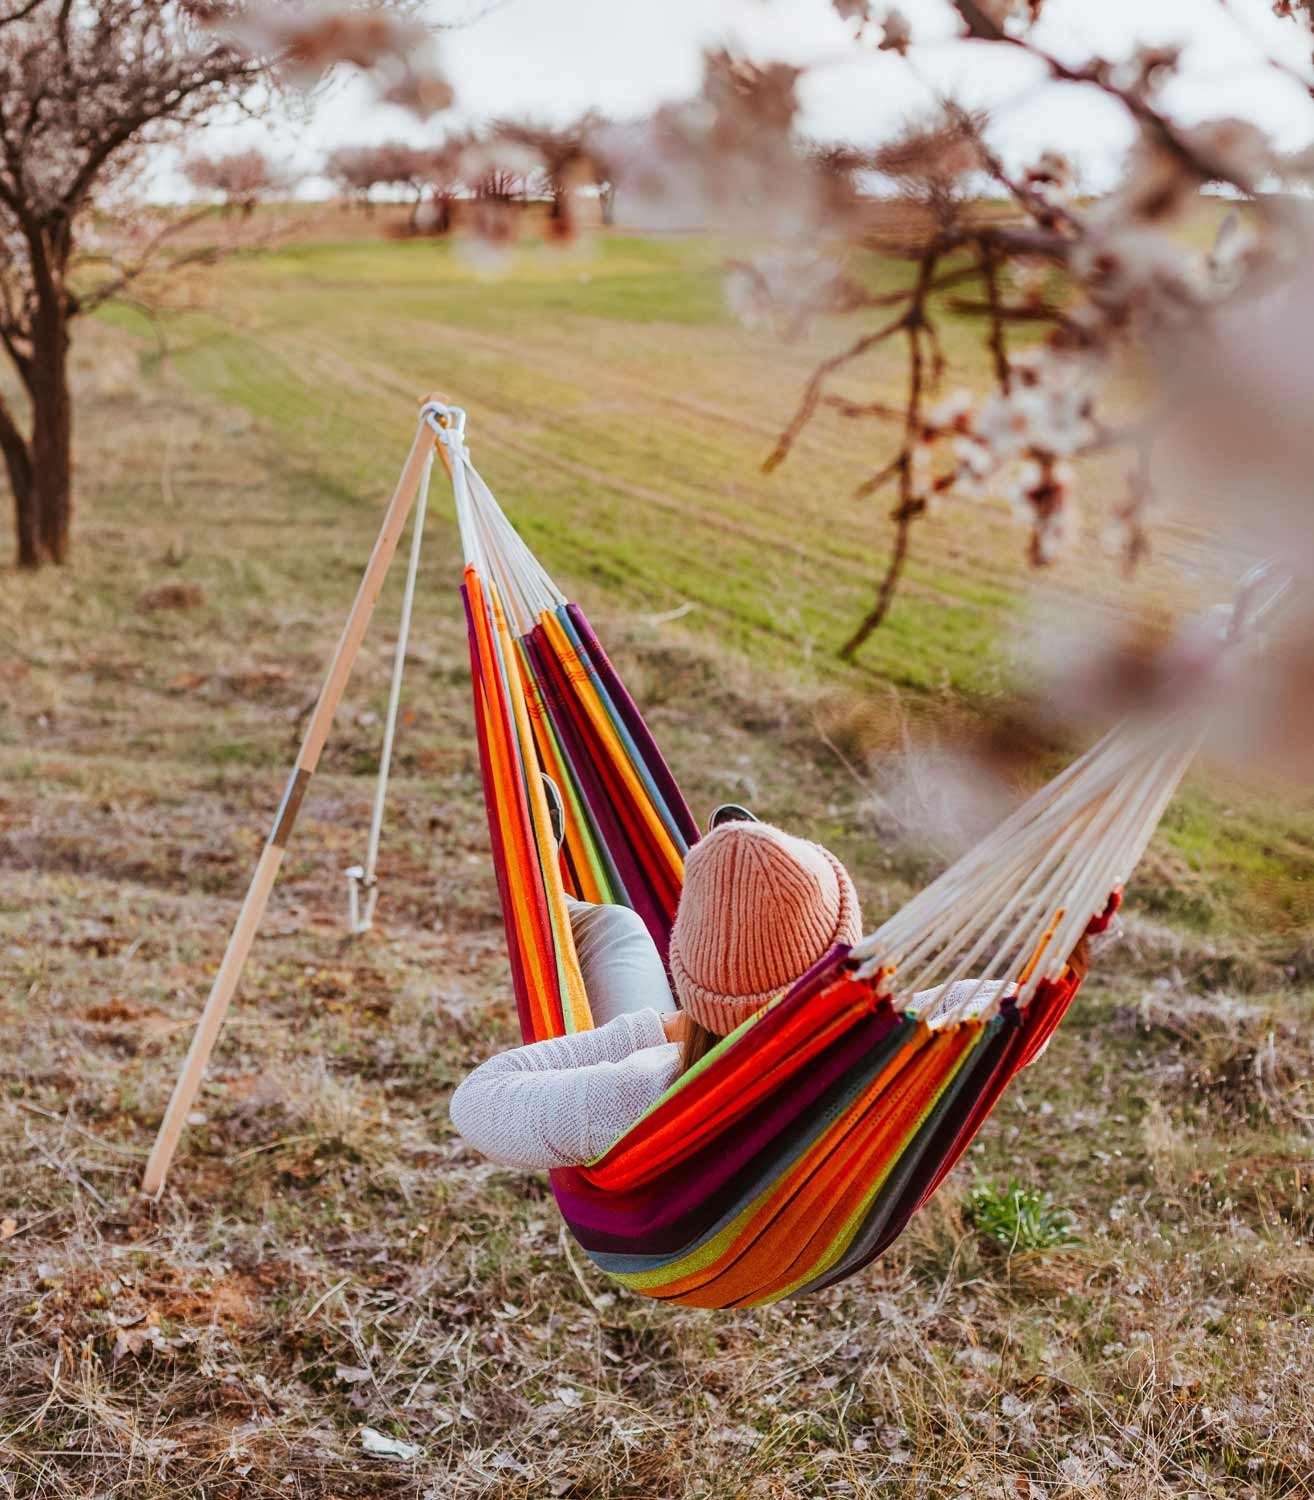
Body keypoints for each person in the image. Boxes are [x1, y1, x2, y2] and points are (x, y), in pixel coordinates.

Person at [449, 801, 862, 1169]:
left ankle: (554, 903)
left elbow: (477, 1101)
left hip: (690, 1087)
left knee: (617, 927)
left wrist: (665, 1028)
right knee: (623, 927)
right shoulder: (884, 1065)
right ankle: (767, 902)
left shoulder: (639, 1098)